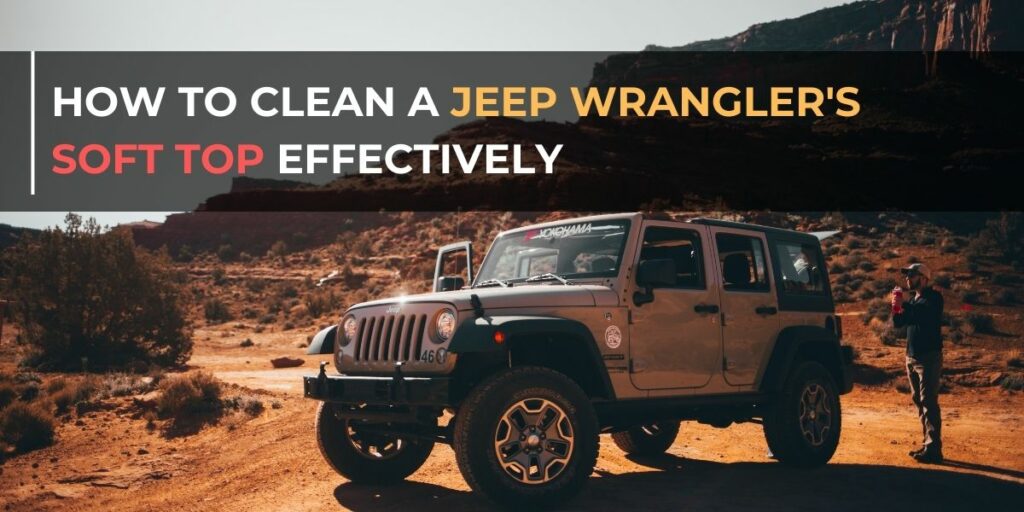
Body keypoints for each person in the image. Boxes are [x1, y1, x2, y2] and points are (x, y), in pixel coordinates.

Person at [891, 262, 945, 463]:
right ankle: (927, 444)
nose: (907, 278)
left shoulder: (933, 298)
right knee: (919, 401)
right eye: (907, 275)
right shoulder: (914, 299)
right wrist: (896, 307)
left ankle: (934, 449)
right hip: (912, 356)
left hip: (928, 356)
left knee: (928, 401)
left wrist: (903, 304)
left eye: (912, 275)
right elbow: (899, 323)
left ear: (923, 278)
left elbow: (923, 315)